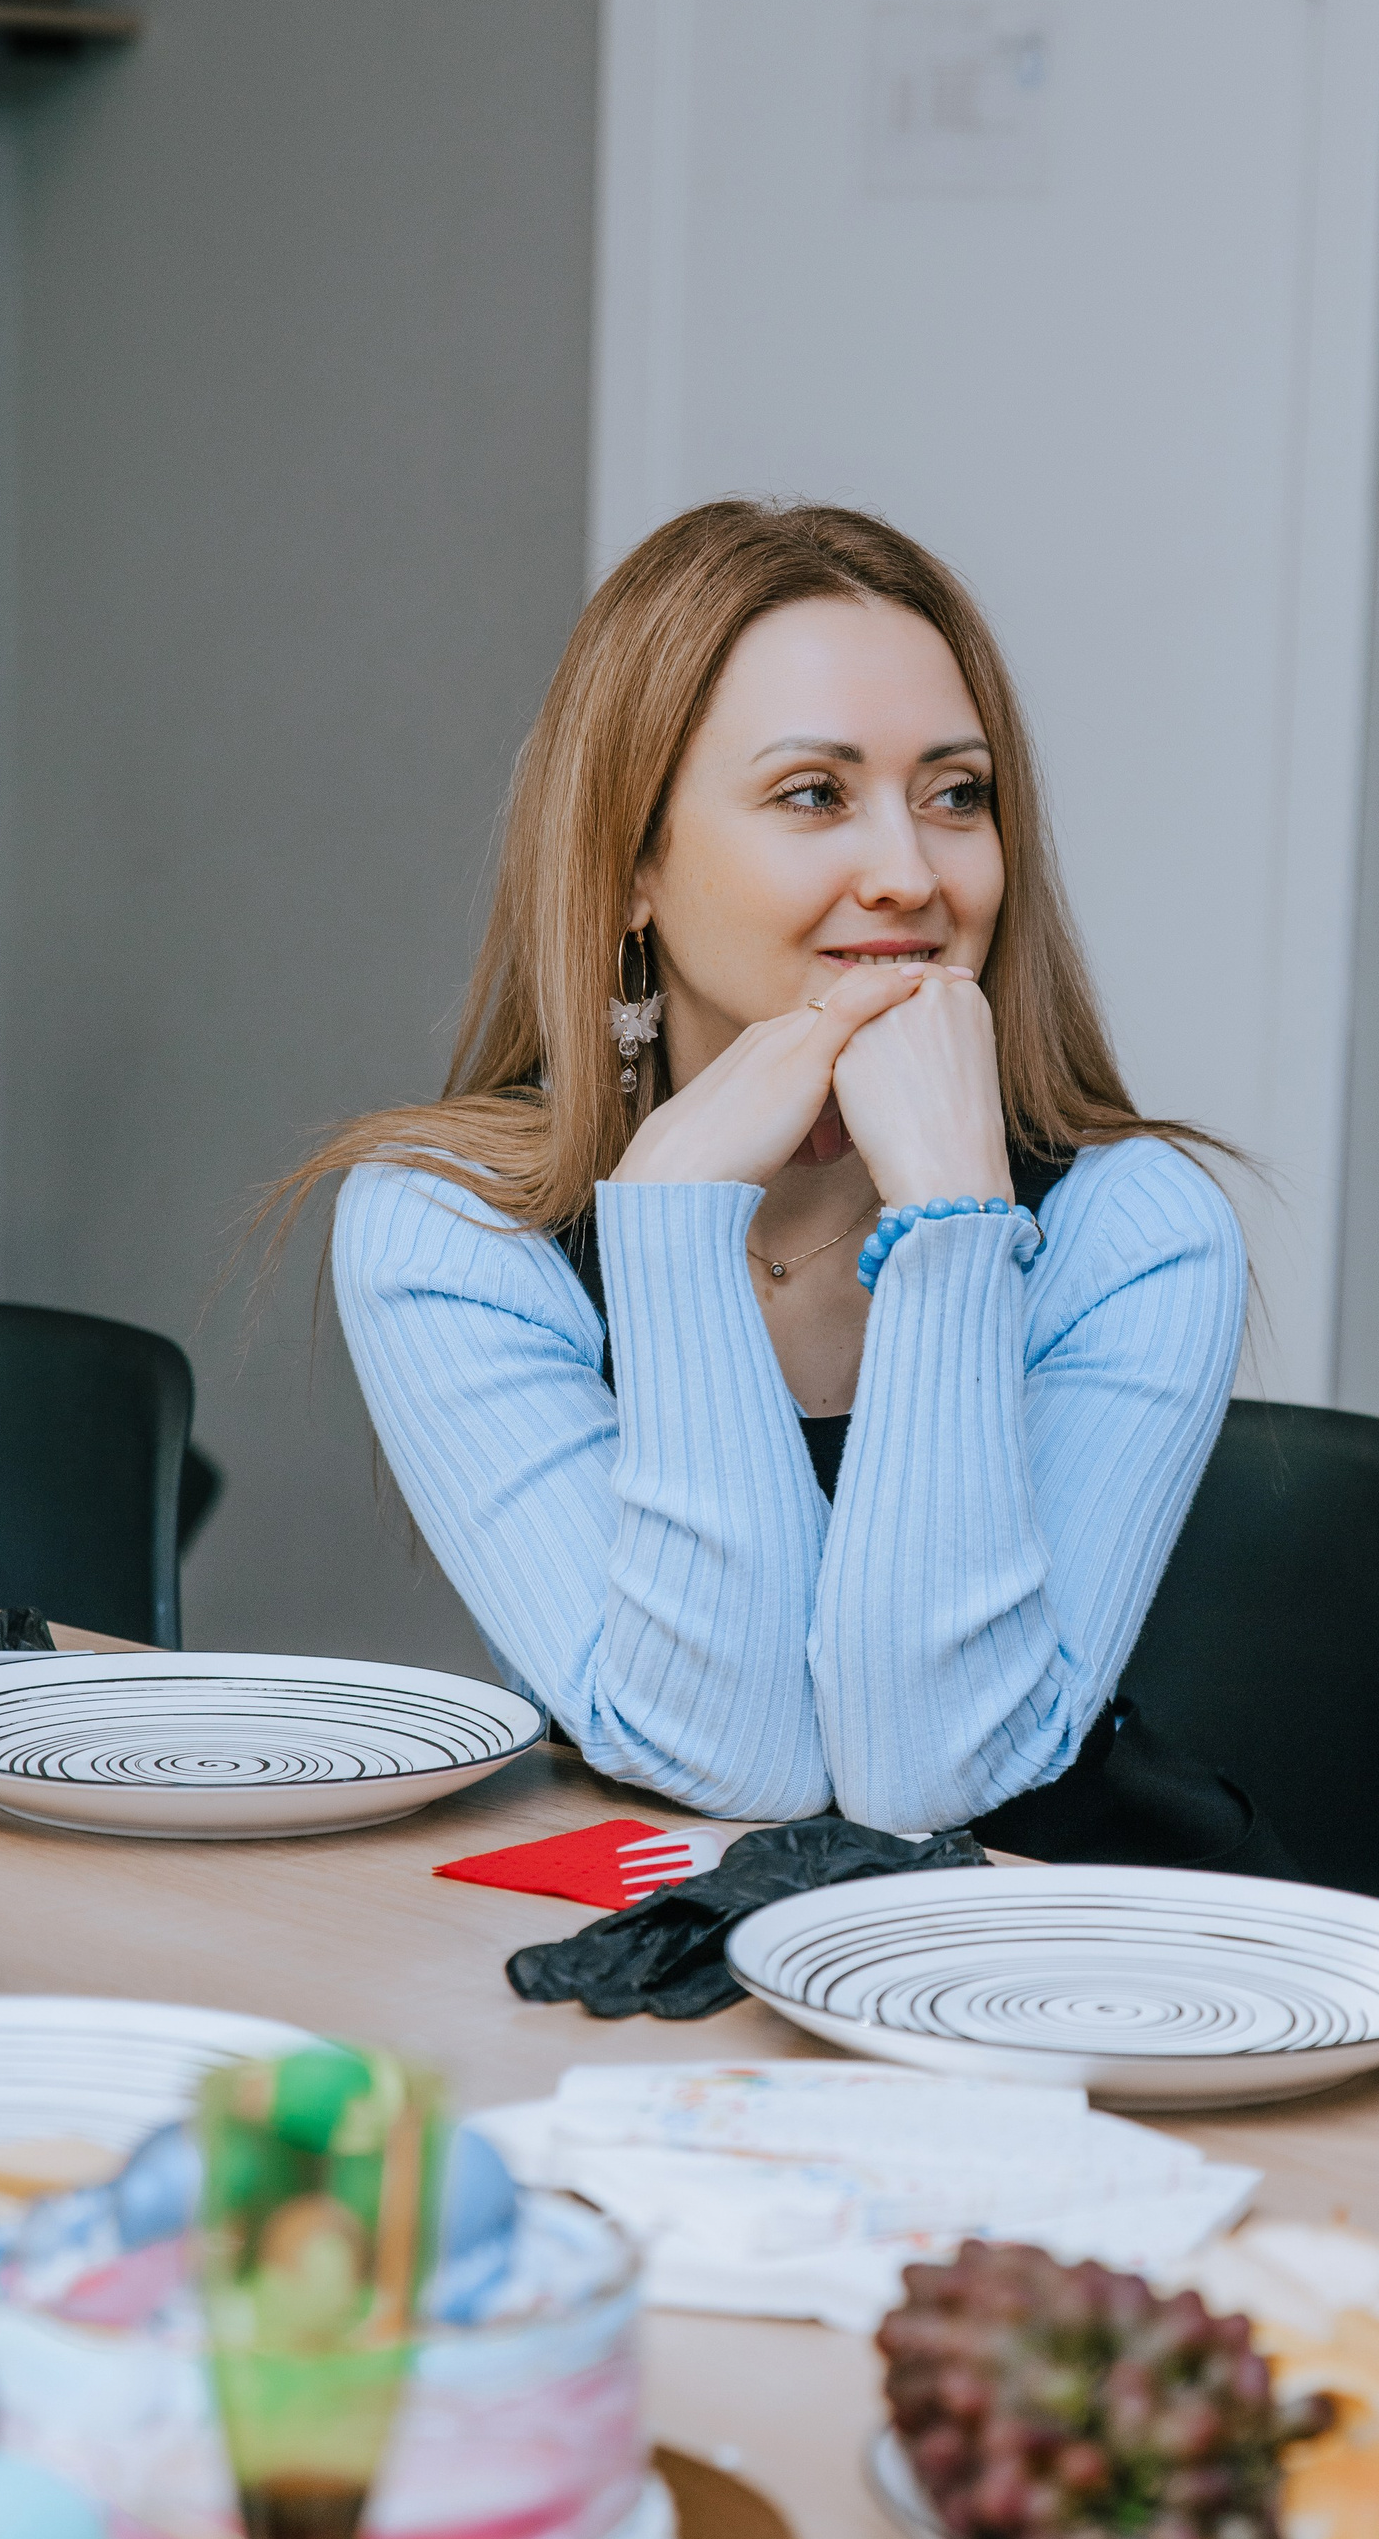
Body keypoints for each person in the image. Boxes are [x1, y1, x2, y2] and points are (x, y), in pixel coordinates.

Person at [293, 501, 1250, 1850]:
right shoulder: (450, 1228)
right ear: (632, 863)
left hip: (1070, 1935)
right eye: (815, 794)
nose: (910, 875)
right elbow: (730, 1760)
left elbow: (928, 1778)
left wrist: (955, 1228)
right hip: (655, 1945)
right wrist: (675, 1226)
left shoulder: (1138, 1231)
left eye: (956, 795)